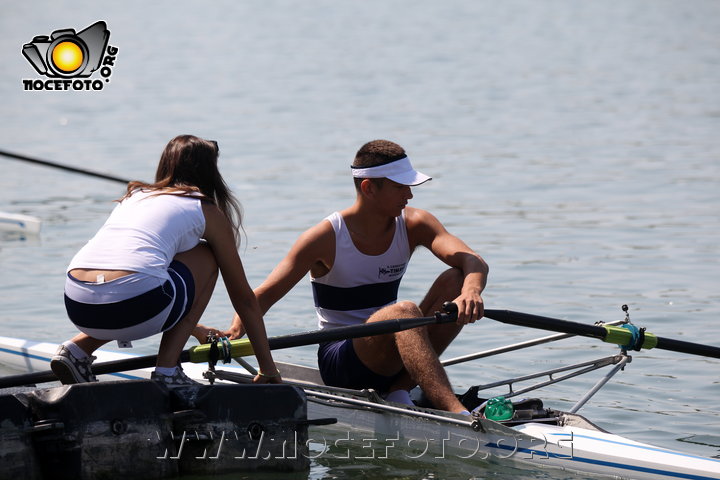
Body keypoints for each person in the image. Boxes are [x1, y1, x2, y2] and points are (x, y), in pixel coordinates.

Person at [225, 139, 487, 412]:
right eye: (400, 187)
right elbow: (262, 296)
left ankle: (399, 390)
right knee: (405, 311)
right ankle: (458, 414)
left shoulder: (415, 224)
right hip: (341, 361)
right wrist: (233, 331)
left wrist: (471, 292)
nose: (409, 195)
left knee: (458, 279)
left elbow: (472, 260)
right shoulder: (324, 238)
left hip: (395, 345)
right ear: (369, 187)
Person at [52, 135, 281, 386]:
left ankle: (77, 349)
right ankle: (168, 371)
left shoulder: (134, 195)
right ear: (210, 172)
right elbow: (244, 299)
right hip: (134, 302)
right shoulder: (205, 210)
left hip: (77, 302)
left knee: (141, 274)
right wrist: (268, 370)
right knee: (207, 255)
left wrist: (197, 330)